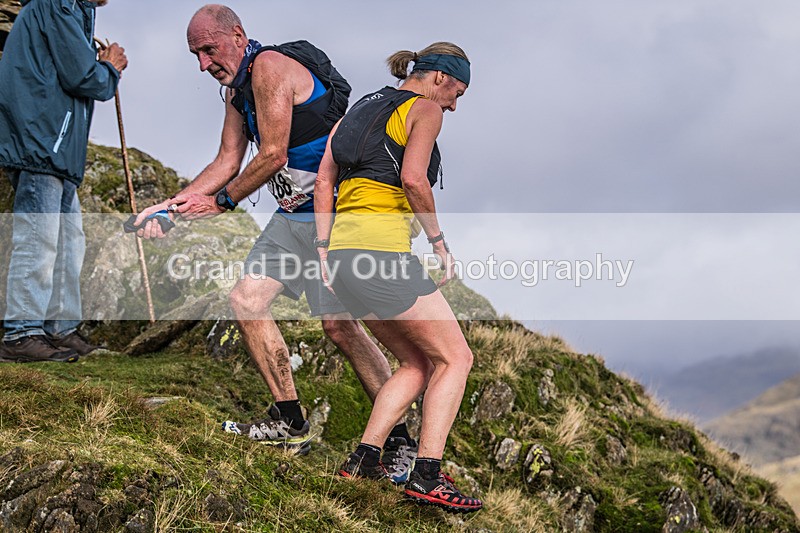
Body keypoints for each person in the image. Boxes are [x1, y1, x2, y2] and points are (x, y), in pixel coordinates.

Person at [134, 5, 417, 474]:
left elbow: (271, 154)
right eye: (195, 54)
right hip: (291, 220)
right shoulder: (235, 92)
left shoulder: (268, 68)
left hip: (333, 218)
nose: (203, 64)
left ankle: (400, 441)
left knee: (342, 328)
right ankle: (290, 422)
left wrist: (221, 203)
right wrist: (169, 206)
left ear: (238, 35)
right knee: (246, 300)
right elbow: (227, 161)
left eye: (209, 49)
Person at [314, 43, 482, 512]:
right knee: (456, 358)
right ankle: (428, 474)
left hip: (345, 255)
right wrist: (438, 242)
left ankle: (363, 459)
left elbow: (324, 179)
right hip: (382, 251)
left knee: (416, 362)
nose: (453, 105)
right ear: (438, 78)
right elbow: (413, 179)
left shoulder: (361, 107)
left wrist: (324, 249)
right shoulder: (424, 108)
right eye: (457, 92)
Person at [0, 0, 127, 363]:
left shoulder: (68, 9)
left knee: (69, 242)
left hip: (55, 147)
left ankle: (60, 328)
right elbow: (85, 78)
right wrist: (110, 67)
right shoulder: (57, 4)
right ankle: (22, 332)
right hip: (42, 143)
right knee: (39, 240)